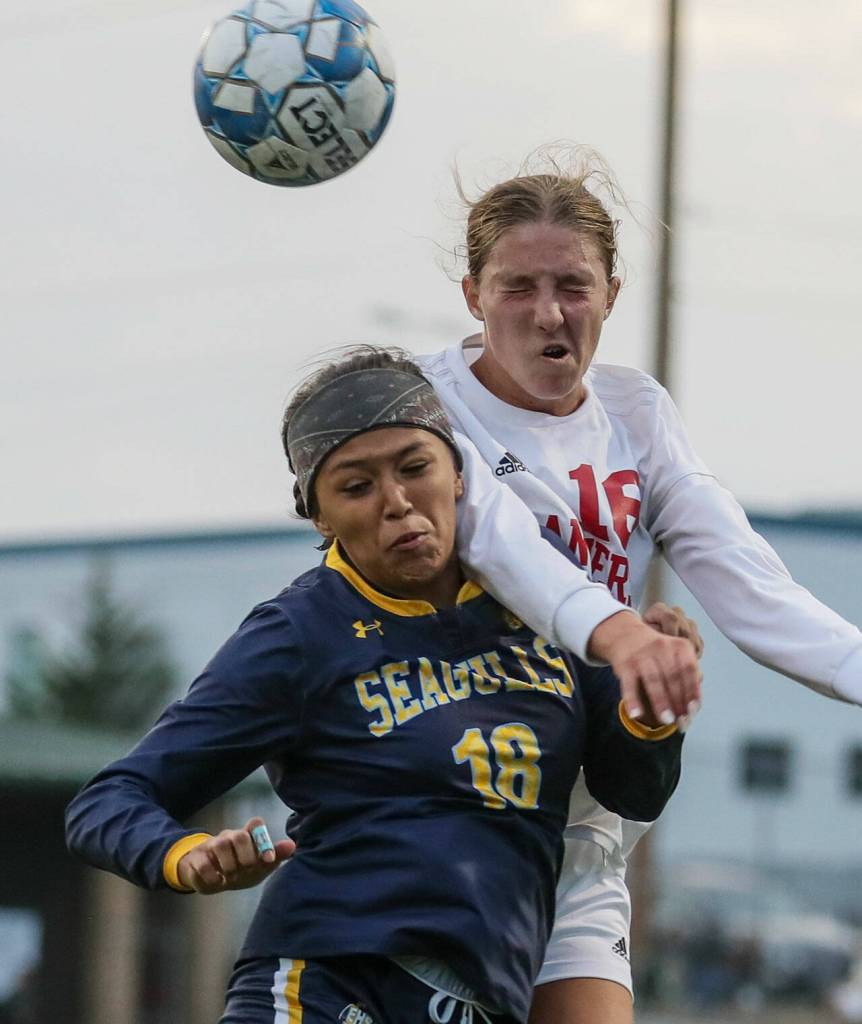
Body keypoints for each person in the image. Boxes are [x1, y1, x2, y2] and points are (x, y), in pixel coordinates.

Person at [65, 349, 685, 1024]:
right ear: (319, 516)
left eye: (415, 467)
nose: (396, 502)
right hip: (328, 983)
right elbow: (108, 801)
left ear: (458, 475)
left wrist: (651, 709)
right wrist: (187, 856)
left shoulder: (550, 599)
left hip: (478, 1002)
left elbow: (633, 788)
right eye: (355, 486)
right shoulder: (300, 632)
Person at [412, 152, 862, 1024]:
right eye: (518, 286)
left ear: (612, 294)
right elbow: (498, 543)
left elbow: (749, 583)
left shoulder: (637, 412)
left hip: (578, 832)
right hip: (440, 819)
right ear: (472, 294)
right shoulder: (424, 401)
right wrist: (620, 633)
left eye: (574, 285)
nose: (550, 313)